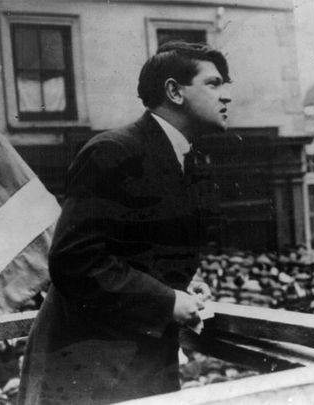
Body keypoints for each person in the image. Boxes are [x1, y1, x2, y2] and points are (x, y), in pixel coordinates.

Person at [18, 41, 231, 404]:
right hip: (87, 368)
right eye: (213, 84)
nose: (227, 97)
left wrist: (184, 285)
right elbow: (74, 260)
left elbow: (134, 251)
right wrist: (166, 300)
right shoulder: (112, 151)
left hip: (138, 362)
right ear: (174, 92)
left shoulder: (185, 159)